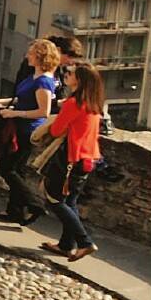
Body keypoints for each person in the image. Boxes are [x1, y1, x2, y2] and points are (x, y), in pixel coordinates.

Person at [0, 38, 60, 225]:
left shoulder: (43, 82)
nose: (28, 55)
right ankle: (15, 212)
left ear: (40, 56)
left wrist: (13, 112)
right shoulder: (34, 77)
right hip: (20, 126)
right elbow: (22, 98)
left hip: (28, 130)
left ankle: (34, 203)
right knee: (16, 169)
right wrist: (1, 102)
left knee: (7, 168)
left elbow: (43, 111)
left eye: (31, 53)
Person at [38, 62, 104, 263]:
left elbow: (57, 130)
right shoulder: (93, 103)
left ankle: (85, 242)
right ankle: (67, 245)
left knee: (54, 199)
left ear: (80, 80)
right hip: (87, 159)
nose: (66, 74)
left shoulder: (73, 104)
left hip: (70, 160)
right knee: (70, 201)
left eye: (71, 73)